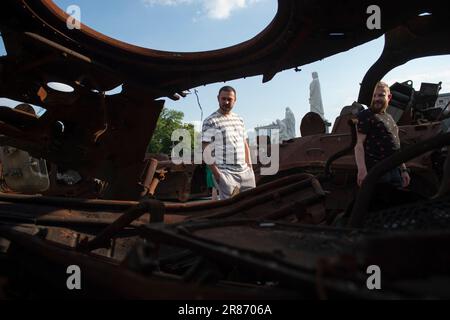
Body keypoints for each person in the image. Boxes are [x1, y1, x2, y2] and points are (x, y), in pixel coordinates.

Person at [202, 86, 255, 200]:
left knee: (251, 205)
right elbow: (206, 149)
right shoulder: (210, 121)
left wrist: (250, 167)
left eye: (229, 99)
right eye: (223, 98)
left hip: (246, 173)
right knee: (231, 209)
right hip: (226, 174)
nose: (226, 102)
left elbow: (244, 143)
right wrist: (217, 175)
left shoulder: (239, 119)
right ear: (218, 98)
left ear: (235, 100)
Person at [355, 81, 411, 188]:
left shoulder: (390, 118)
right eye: (374, 96)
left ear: (389, 97)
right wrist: (362, 170)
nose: (376, 99)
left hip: (395, 171)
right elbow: (359, 144)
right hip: (377, 171)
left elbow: (396, 148)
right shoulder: (366, 115)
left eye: (381, 95)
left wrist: (403, 169)